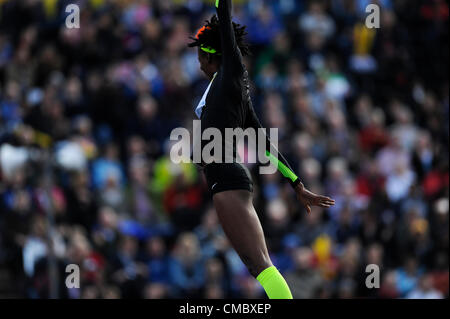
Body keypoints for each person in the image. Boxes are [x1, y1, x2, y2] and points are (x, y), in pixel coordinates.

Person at [187, 0, 335, 299]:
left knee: (260, 265)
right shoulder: (231, 92)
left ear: (209, 54)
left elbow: (225, 21)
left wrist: (221, 4)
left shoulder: (230, 75)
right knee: (259, 264)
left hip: (226, 178)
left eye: (199, 56)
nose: (198, 63)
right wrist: (296, 183)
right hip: (228, 178)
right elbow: (265, 147)